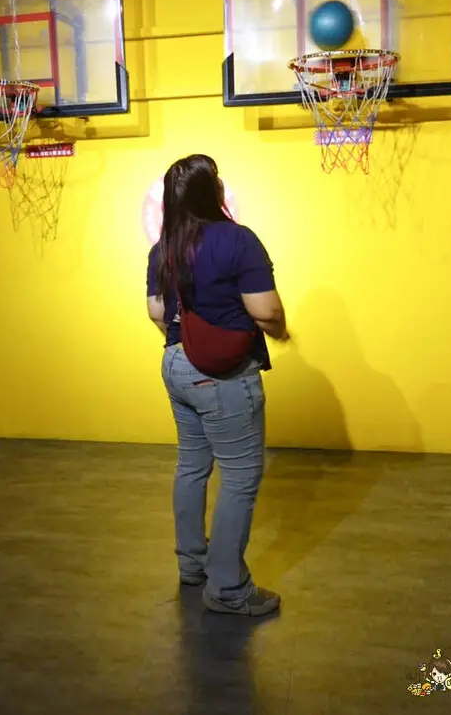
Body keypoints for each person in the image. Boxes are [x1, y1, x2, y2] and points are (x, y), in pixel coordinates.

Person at [146, 154, 289, 616]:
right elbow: (266, 310)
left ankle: (193, 565)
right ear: (213, 192)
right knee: (241, 476)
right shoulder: (237, 240)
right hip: (221, 374)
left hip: (176, 364)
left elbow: (155, 311)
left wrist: (188, 340)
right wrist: (280, 330)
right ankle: (228, 589)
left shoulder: (163, 248)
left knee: (191, 466)